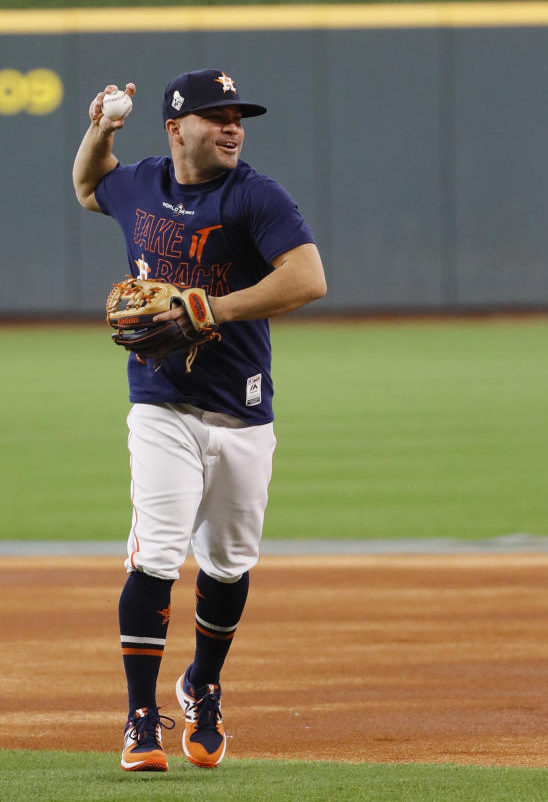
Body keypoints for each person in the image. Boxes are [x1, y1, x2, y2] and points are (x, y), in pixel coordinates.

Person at [72, 67, 327, 772]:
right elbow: (89, 186)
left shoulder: (255, 196)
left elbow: (307, 279)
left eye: (238, 115)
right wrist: (100, 129)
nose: (232, 126)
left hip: (242, 409)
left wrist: (206, 307)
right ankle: (139, 718)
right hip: (160, 407)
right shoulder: (142, 184)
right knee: (155, 554)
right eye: (216, 115)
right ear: (177, 128)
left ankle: (203, 683)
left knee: (228, 564)